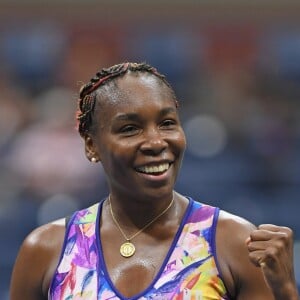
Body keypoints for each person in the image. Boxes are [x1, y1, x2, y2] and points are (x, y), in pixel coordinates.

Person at [10, 62, 299, 300]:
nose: (156, 141)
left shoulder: (234, 242)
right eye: (130, 128)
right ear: (91, 145)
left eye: (167, 123)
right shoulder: (46, 249)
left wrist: (285, 290)